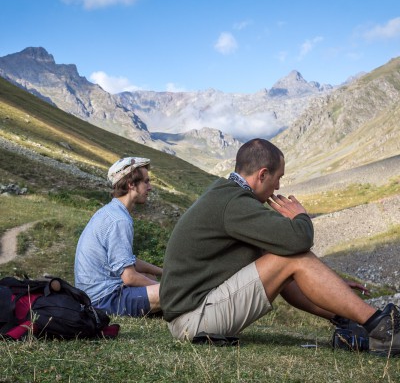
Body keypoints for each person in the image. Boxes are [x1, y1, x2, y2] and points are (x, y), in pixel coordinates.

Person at [160, 138, 400, 356]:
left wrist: (335, 291)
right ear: (263, 174)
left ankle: (357, 323)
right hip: (194, 321)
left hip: (193, 317)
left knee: (285, 258)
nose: (278, 187)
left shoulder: (228, 196)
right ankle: (383, 328)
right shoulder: (234, 204)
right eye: (278, 178)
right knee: (293, 258)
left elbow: (284, 275)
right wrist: (301, 216)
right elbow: (299, 241)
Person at [75, 156, 162, 317]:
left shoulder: (111, 211)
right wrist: (162, 286)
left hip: (92, 295)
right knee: (175, 292)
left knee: (150, 276)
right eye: (146, 182)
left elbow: (127, 260)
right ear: (131, 185)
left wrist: (164, 272)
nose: (150, 187)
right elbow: (129, 277)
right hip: (104, 300)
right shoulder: (120, 220)